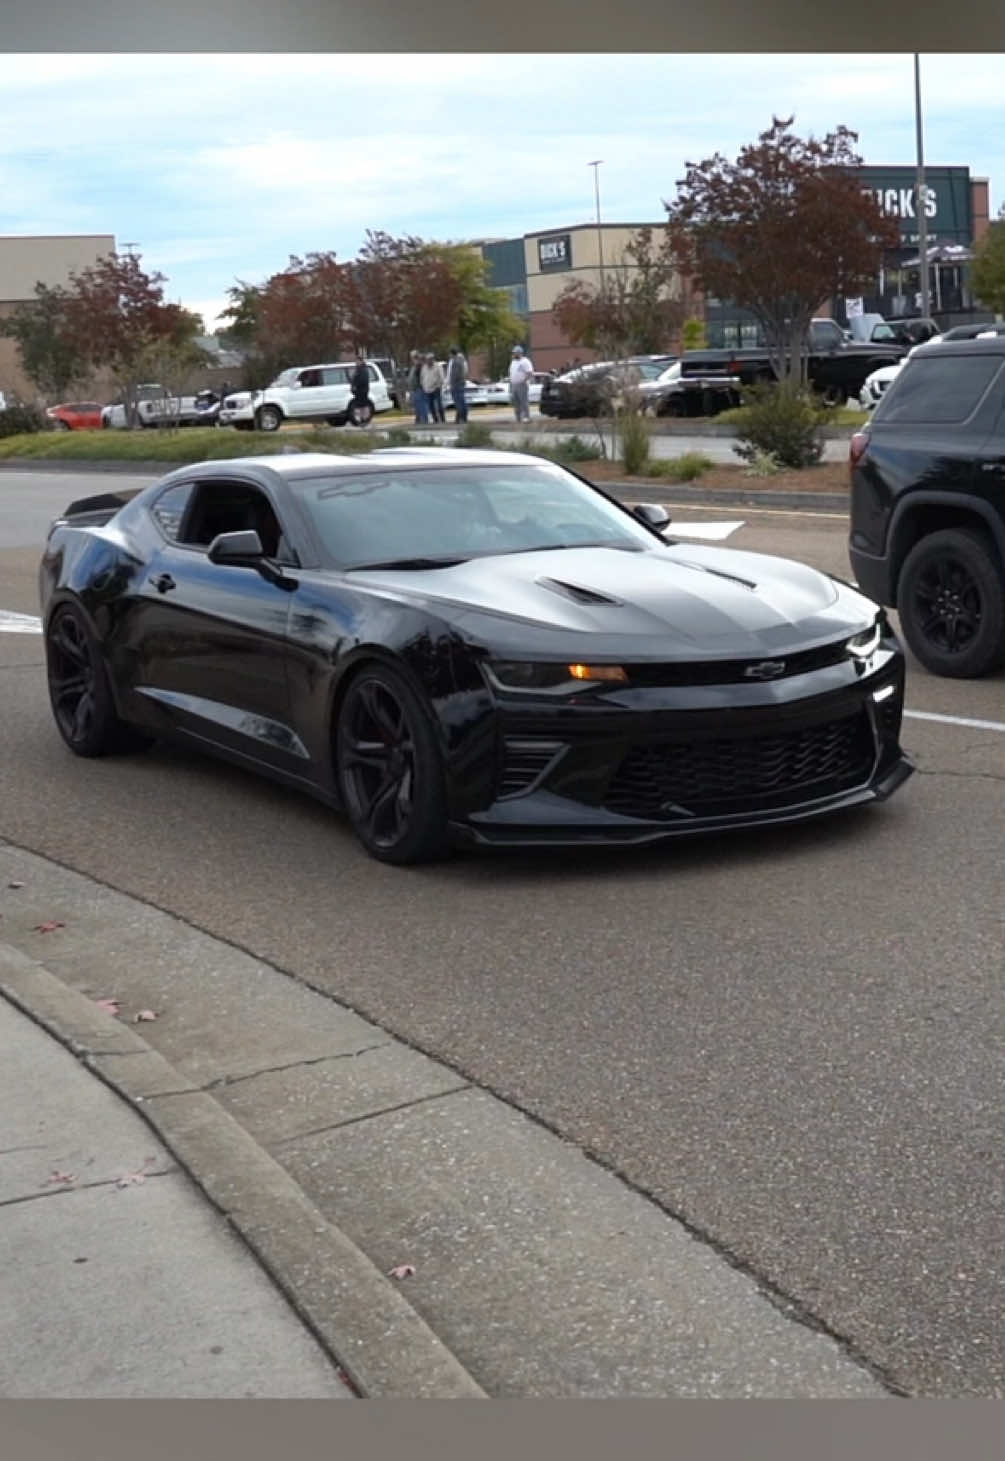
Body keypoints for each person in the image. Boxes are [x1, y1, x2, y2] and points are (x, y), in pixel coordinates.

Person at [509, 344, 534, 423]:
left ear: (520, 353)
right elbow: (511, 373)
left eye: (515, 353)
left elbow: (530, 372)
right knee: (516, 402)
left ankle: (526, 417)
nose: (514, 354)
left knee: (523, 401)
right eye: (513, 353)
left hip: (522, 384)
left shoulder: (525, 361)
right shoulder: (513, 362)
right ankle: (518, 418)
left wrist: (524, 380)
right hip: (514, 385)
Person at [350, 351, 373, 426]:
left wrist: (356, 386)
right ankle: (361, 420)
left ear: (361, 361)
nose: (356, 362)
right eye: (355, 361)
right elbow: (354, 379)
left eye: (357, 361)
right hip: (358, 392)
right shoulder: (358, 369)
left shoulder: (363, 370)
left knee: (363, 406)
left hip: (362, 391)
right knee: (359, 407)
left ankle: (364, 420)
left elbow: (363, 380)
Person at [421, 352, 445, 424]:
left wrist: (438, 385)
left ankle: (443, 419)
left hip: (436, 388)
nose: (428, 361)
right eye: (427, 359)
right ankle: (435, 420)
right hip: (427, 389)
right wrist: (423, 386)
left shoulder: (438, 366)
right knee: (430, 406)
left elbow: (441, 378)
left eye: (430, 359)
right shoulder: (424, 367)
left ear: (432, 359)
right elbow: (422, 377)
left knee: (439, 404)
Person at [448, 346, 468, 423]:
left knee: (458, 402)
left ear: (452, 354)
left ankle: (461, 418)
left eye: (450, 354)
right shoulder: (461, 361)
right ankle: (462, 418)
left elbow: (455, 375)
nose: (449, 356)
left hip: (457, 384)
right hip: (461, 383)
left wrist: (452, 384)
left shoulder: (455, 362)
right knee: (462, 401)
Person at [407, 350, 428, 424]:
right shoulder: (416, 366)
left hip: (419, 388)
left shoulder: (419, 366)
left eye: (412, 357)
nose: (412, 359)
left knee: (421, 404)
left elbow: (420, 378)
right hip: (415, 388)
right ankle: (419, 419)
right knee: (417, 405)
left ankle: (424, 420)